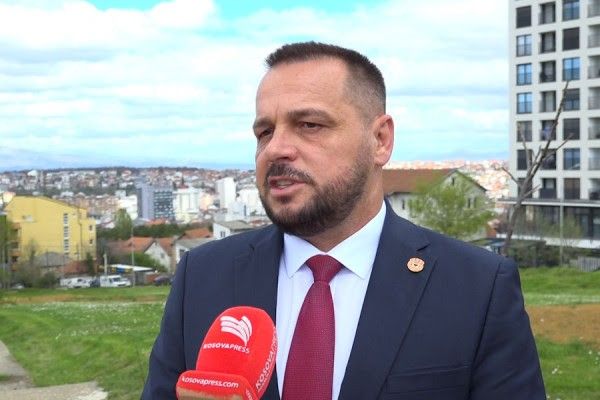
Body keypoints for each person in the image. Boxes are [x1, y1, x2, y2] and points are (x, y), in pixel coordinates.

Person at [142, 42, 545, 400]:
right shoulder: (203, 276)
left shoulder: (478, 287)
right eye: (264, 132)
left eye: (309, 125)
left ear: (380, 140)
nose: (276, 149)